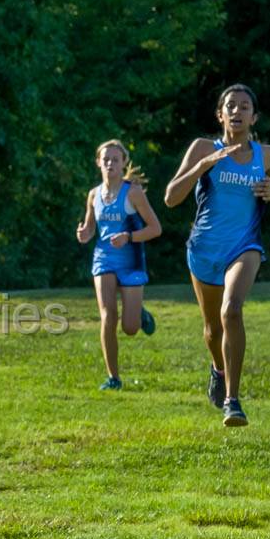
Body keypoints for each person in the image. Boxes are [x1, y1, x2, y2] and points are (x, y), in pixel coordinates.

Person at [164, 84, 270, 426]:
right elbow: (171, 198)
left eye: (244, 106)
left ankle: (233, 401)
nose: (237, 111)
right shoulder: (204, 148)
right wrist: (203, 165)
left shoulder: (267, 155)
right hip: (204, 249)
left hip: (244, 246)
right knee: (211, 329)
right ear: (220, 114)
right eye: (230, 106)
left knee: (231, 311)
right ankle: (218, 370)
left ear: (254, 116)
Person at [76, 140, 161, 390]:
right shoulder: (93, 194)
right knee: (107, 316)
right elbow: (91, 228)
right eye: (106, 159)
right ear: (98, 163)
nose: (110, 163)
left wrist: (129, 237)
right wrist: (84, 234)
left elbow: (155, 229)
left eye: (115, 159)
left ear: (123, 163)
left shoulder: (133, 192)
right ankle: (113, 378)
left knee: (130, 328)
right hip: (103, 258)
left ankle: (140, 314)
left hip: (131, 259)